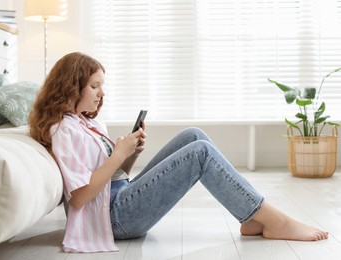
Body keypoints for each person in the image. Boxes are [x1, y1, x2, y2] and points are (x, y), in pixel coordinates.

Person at [29, 52, 328, 253]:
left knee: (193, 136)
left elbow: (113, 176)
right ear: (71, 87)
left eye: (101, 86)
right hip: (114, 217)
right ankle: (275, 220)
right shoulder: (63, 130)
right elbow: (80, 197)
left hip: (118, 198)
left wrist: (130, 153)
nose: (101, 93)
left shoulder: (83, 124)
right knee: (199, 152)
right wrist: (118, 154)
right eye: (95, 86)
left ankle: (251, 218)